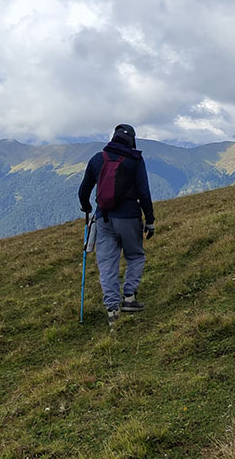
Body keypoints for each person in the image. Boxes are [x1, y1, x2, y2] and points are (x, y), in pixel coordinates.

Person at [78, 124, 156, 327]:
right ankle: (129, 298)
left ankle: (112, 310)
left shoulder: (97, 159)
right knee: (135, 256)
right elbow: (144, 193)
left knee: (107, 265)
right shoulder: (135, 160)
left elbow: (84, 190)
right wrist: (150, 220)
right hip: (129, 217)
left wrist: (86, 207)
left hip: (103, 218)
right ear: (132, 140)